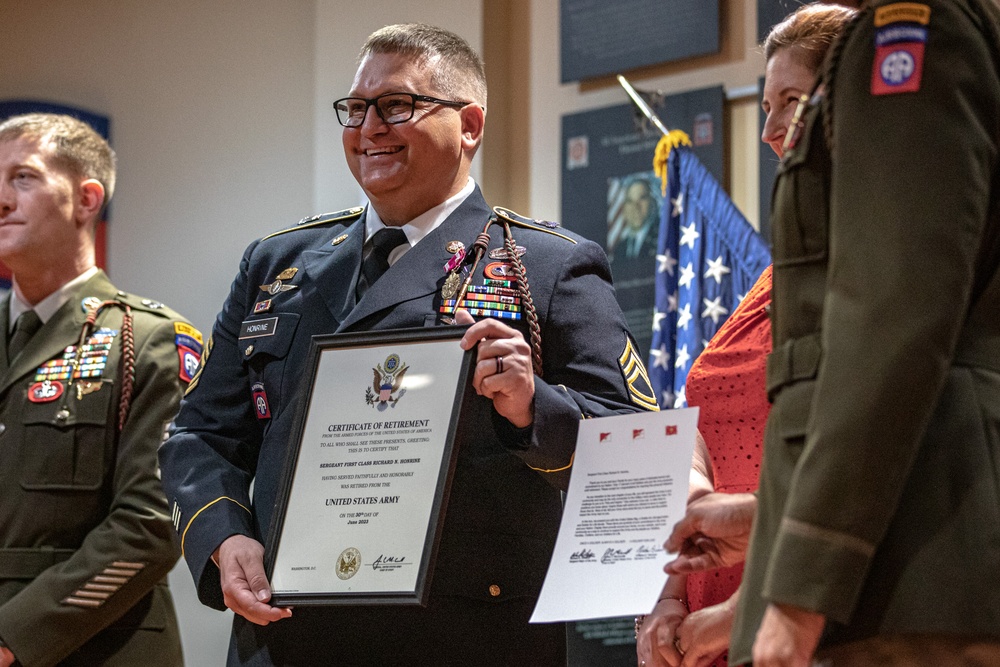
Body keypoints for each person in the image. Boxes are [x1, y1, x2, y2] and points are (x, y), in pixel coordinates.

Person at [159, 23, 658, 665]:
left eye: (397, 105)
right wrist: (225, 537)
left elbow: (634, 451)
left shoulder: (546, 265)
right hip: (289, 634)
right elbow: (200, 434)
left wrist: (533, 407)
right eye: (356, 108)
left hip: (466, 637)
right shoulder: (275, 263)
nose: (370, 128)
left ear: (469, 124)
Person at [669, 0, 1000, 664]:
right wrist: (768, 532)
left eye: (791, 100)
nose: (771, 129)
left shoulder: (916, 27)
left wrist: (798, 586)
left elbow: (890, 326)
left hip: (908, 565)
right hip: (888, 563)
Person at [636, 5, 857, 666]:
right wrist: (671, 593)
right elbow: (700, 416)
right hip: (707, 606)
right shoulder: (773, 276)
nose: (769, 130)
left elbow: (872, 462)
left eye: (792, 101)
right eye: (766, 105)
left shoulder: (894, 264)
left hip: (812, 612)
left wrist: (742, 614)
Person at [0, 113, 193, 666]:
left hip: (99, 645)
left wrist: (13, 636)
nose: (2, 198)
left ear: (87, 199)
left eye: (24, 177)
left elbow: (152, 524)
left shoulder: (148, 339)